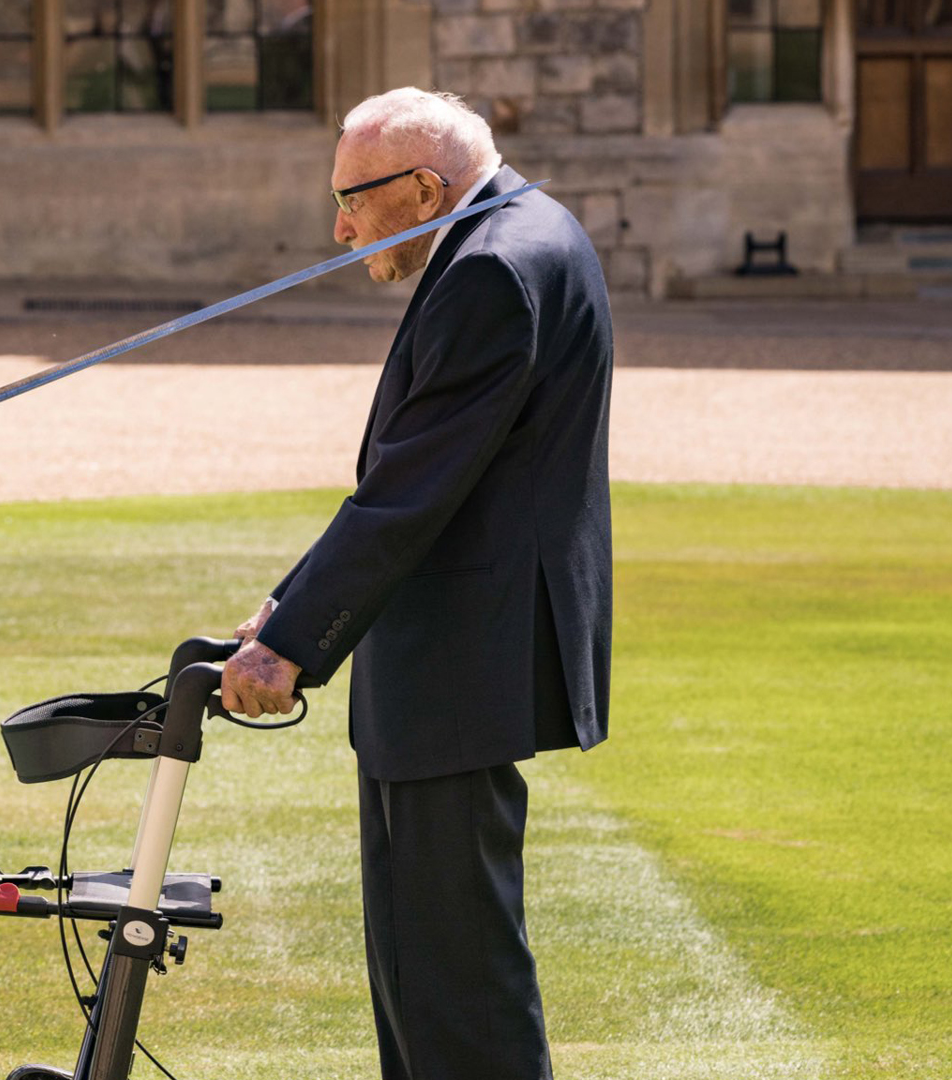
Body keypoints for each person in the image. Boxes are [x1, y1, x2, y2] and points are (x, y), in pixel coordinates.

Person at [220, 88, 613, 1079]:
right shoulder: (523, 231)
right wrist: (287, 603)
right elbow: (415, 478)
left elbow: (410, 493)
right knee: (420, 974)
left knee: (454, 987)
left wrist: (292, 643)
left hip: (458, 662)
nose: (341, 227)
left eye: (353, 199)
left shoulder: (490, 270)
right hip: (453, 655)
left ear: (425, 187)